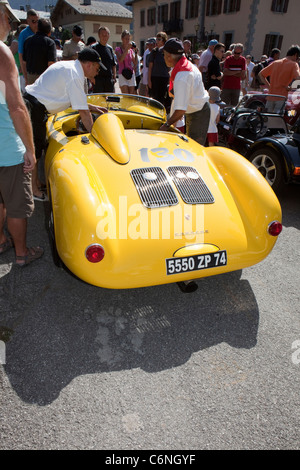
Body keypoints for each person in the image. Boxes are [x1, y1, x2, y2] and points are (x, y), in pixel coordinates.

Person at [23, 48, 108, 201]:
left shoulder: (71, 68)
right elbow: (83, 113)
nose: (97, 72)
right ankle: (33, 191)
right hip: (35, 107)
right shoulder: (75, 75)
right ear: (89, 65)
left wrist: (94, 107)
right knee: (34, 149)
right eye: (97, 68)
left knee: (38, 147)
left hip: (35, 105)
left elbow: (75, 100)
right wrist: (96, 137)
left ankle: (36, 182)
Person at [0, 1, 43, 267]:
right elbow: (17, 107)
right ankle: (21, 253)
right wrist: (30, 148)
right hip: (6, 145)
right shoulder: (2, 52)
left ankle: (1, 242)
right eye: (6, 17)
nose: (10, 23)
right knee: (16, 205)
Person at [160, 38, 210, 146]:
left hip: (198, 112)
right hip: (194, 108)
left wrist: (167, 125)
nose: (163, 58)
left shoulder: (182, 76)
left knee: (194, 148)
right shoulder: (181, 66)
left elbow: (180, 109)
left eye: (164, 55)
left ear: (169, 56)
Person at [259, 45, 300, 112]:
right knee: (277, 120)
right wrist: (291, 88)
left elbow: (261, 74)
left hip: (271, 96)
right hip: (281, 97)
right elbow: (298, 79)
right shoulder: (294, 64)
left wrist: (269, 86)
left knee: (268, 119)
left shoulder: (276, 62)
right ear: (295, 55)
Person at [23, 18, 56, 85]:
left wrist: (26, 77)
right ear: (49, 31)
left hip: (30, 77)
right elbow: (51, 63)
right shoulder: (50, 43)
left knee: (32, 95)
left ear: (37, 28)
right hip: (44, 78)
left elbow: (24, 61)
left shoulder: (27, 41)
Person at [147, 32, 170, 107]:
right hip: (155, 77)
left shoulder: (167, 51)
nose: (157, 41)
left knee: (163, 98)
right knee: (155, 98)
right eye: (156, 39)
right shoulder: (154, 51)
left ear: (163, 40)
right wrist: (149, 80)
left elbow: (169, 66)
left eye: (159, 39)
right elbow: (150, 67)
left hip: (164, 77)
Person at [92, 26, 117, 93]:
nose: (104, 37)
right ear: (99, 35)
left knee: (110, 102)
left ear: (108, 36)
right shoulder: (94, 48)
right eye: (102, 35)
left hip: (109, 80)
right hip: (98, 80)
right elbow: (90, 64)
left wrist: (114, 77)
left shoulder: (110, 49)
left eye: (106, 35)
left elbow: (113, 64)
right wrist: (92, 79)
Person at [18, 8, 39, 87]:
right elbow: (21, 56)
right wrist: (26, 77)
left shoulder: (41, 31)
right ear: (28, 21)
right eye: (33, 21)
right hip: (30, 73)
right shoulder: (23, 34)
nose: (36, 24)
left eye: (38, 21)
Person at [115, 30, 137, 94]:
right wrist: (126, 49)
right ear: (122, 39)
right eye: (126, 39)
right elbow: (120, 60)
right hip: (122, 73)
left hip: (130, 73)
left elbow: (135, 63)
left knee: (131, 95)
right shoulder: (118, 49)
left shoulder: (130, 50)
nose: (127, 41)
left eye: (128, 39)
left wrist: (135, 53)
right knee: (125, 95)